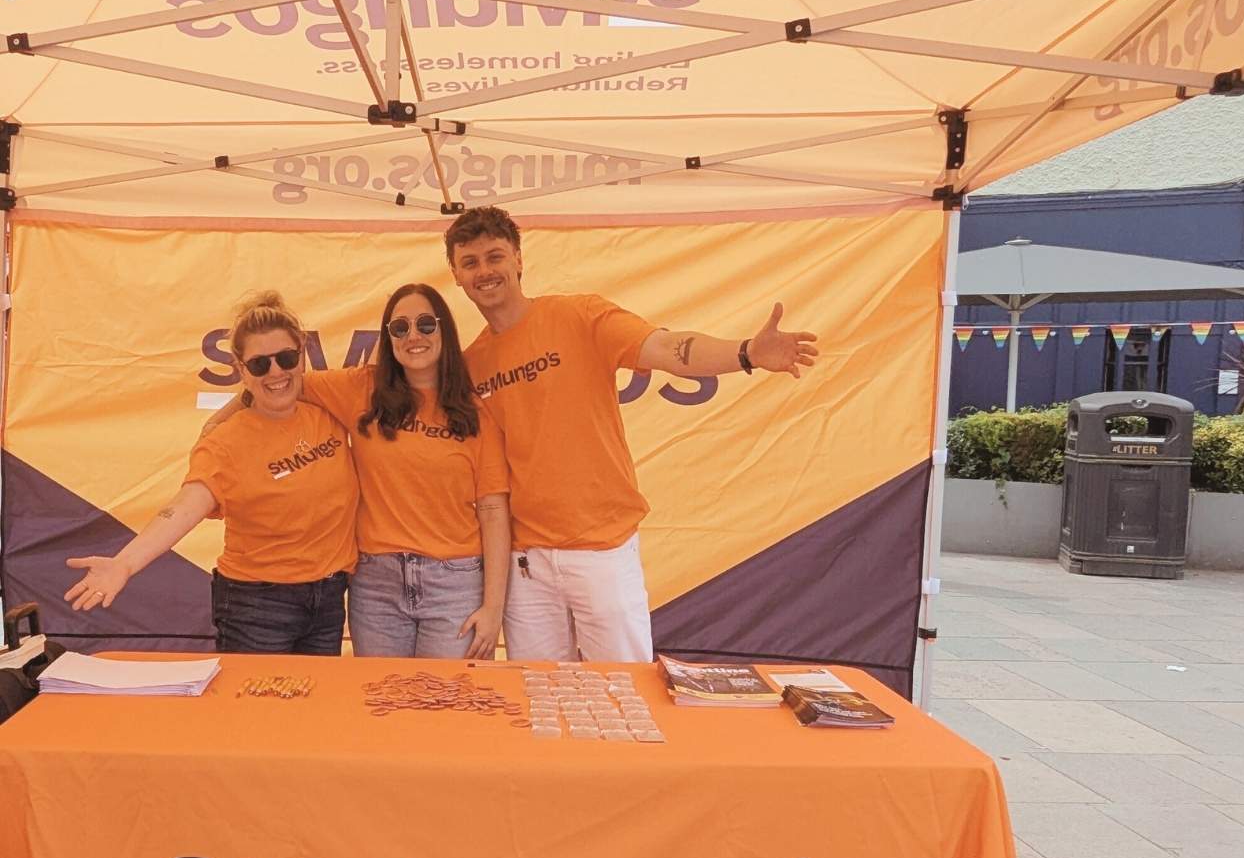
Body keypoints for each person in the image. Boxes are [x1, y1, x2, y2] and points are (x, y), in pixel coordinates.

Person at [446, 205, 819, 663]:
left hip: (603, 553)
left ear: (519, 260)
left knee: (625, 696)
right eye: (470, 262)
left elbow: (667, 349)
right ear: (456, 276)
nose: (484, 271)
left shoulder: (579, 316)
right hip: (527, 565)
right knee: (539, 702)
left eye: (494, 256)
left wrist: (745, 353)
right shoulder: (471, 365)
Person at [65, 292, 358, 654]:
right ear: (240, 368)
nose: (276, 372)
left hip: (329, 599)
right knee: (253, 709)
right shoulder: (225, 442)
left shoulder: (328, 411)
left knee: (310, 706)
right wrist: (124, 564)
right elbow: (184, 506)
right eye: (259, 365)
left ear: (302, 355)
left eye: (285, 358)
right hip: (258, 604)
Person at [282, 284, 510, 658]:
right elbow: (280, 385)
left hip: (455, 585)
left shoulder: (475, 414)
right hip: (376, 584)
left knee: (442, 707)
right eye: (399, 328)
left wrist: (493, 608)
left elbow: (493, 511)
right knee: (380, 704)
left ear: (444, 331)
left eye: (425, 324)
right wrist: (217, 423)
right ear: (388, 338)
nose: (413, 336)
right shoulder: (361, 390)